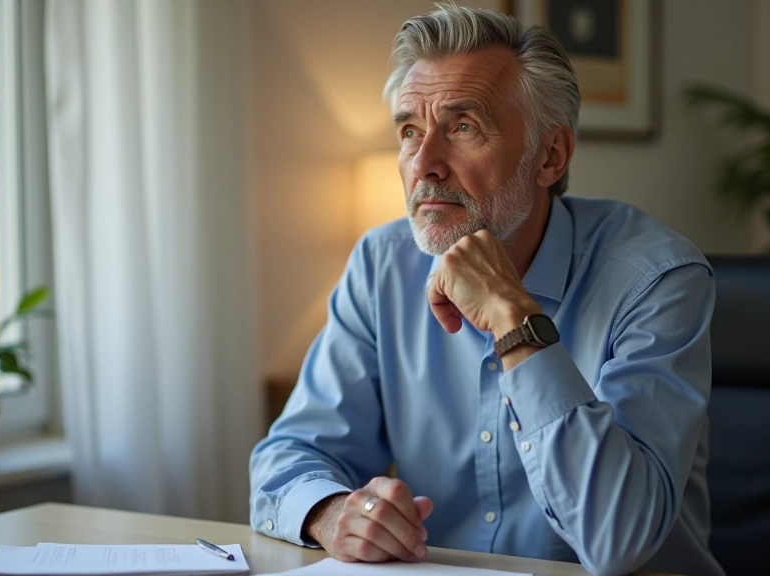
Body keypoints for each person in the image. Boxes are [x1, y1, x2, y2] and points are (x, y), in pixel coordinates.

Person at [249, 4, 724, 576]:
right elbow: (287, 458)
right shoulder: (382, 265)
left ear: (551, 155)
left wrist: (513, 319)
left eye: (463, 127)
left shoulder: (657, 280)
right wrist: (331, 513)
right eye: (409, 132)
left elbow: (619, 539)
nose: (424, 164)